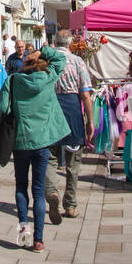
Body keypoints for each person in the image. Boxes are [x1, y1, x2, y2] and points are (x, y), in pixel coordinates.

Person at [0, 47, 67, 252]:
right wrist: (42, 50)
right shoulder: (49, 77)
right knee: (38, 191)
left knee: (20, 187)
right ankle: (39, 239)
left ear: (25, 64)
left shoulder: (14, 80)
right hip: (42, 141)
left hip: (21, 142)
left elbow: (1, 107)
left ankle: (24, 230)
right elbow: (61, 59)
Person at [45, 30, 94, 223]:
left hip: (51, 109)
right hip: (72, 108)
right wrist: (90, 121)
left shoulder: (47, 62)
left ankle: (51, 193)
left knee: (50, 156)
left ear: (55, 42)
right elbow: (85, 94)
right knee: (73, 161)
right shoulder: (77, 62)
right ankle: (71, 204)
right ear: (70, 43)